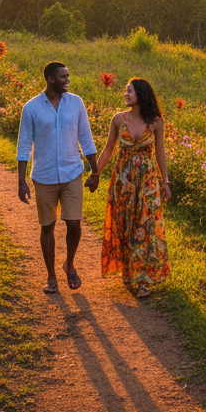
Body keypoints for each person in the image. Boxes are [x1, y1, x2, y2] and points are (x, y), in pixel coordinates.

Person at [17, 61, 99, 294]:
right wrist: (21, 181)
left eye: (68, 76)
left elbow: (86, 138)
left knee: (74, 223)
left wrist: (95, 171)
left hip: (72, 171)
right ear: (50, 79)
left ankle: (69, 264)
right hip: (44, 176)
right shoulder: (31, 108)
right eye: (63, 76)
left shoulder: (76, 103)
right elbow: (23, 145)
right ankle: (51, 276)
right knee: (48, 226)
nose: (67, 80)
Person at [87, 77, 170, 297]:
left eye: (129, 91)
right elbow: (108, 150)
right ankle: (128, 270)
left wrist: (166, 182)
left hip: (148, 181)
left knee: (145, 226)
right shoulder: (118, 119)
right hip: (122, 182)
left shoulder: (155, 122)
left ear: (140, 94)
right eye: (125, 90)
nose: (125, 94)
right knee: (124, 224)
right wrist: (95, 174)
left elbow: (160, 153)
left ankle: (143, 280)